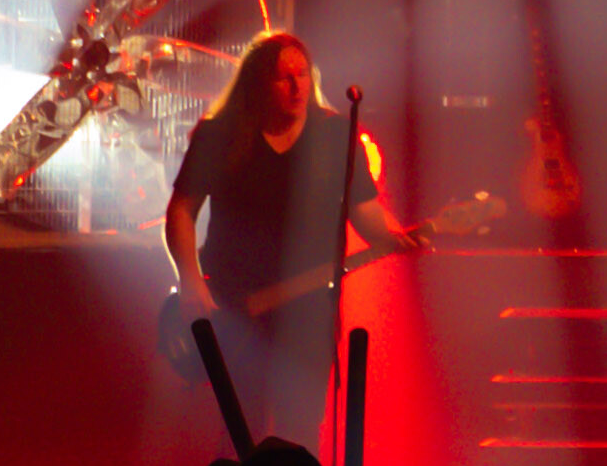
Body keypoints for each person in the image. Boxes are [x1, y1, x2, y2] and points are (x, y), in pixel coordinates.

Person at [164, 30, 417, 440]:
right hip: (234, 304)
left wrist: (397, 236)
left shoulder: (335, 135)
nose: (297, 86)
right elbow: (181, 211)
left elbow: (365, 211)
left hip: (308, 311)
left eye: (302, 74)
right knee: (241, 431)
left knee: (299, 430)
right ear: (259, 84)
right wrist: (190, 281)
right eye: (284, 78)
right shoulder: (220, 134)